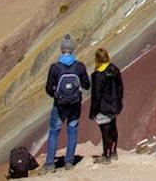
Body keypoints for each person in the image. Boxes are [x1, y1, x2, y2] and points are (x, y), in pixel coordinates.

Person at [42, 34, 90, 173]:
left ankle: (50, 164)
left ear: (62, 49)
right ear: (73, 49)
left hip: (60, 104)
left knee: (54, 132)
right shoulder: (79, 66)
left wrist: (56, 96)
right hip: (75, 104)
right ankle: (69, 161)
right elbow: (87, 85)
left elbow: (48, 88)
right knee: (72, 130)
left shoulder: (55, 67)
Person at [89, 48, 124, 164]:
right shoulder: (114, 69)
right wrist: (119, 102)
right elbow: (120, 88)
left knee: (105, 131)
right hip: (114, 106)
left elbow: (96, 96)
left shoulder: (98, 75)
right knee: (113, 127)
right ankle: (113, 152)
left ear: (97, 59)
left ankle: (106, 156)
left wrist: (93, 111)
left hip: (103, 107)